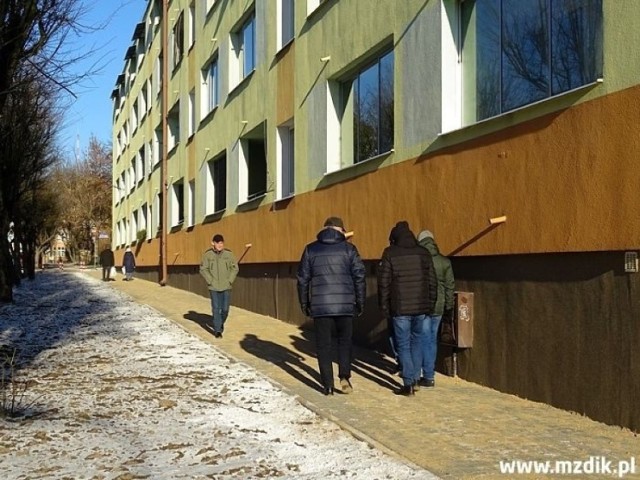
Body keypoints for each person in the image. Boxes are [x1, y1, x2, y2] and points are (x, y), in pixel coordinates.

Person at [297, 217, 366, 396]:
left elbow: (303, 279)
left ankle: (327, 384)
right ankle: (344, 376)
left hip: (321, 306)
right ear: (341, 230)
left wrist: (304, 303)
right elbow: (359, 276)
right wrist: (360, 302)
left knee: (323, 345)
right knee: (345, 342)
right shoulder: (349, 249)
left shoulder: (310, 249)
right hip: (345, 305)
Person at [377, 221, 437, 396]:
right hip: (421, 307)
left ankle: (408, 383)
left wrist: (384, 306)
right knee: (417, 342)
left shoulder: (390, 254)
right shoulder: (423, 253)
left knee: (403, 344)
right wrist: (431, 304)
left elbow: (384, 283)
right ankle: (416, 379)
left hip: (400, 308)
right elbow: (432, 282)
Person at [417, 230, 455, 388]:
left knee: (422, 338)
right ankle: (429, 375)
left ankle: (423, 374)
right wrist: (449, 306)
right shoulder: (444, 262)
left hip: (423, 305)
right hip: (438, 307)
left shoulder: (419, 260)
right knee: (432, 339)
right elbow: (449, 286)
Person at [199, 234, 239, 338]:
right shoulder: (208, 255)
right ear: (213, 243)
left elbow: (235, 268)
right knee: (216, 308)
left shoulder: (228, 254)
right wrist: (210, 280)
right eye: (217, 243)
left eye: (221, 243)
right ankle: (217, 330)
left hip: (226, 286)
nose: (220, 245)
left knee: (225, 309)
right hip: (214, 286)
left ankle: (220, 322)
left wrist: (230, 280)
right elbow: (203, 269)